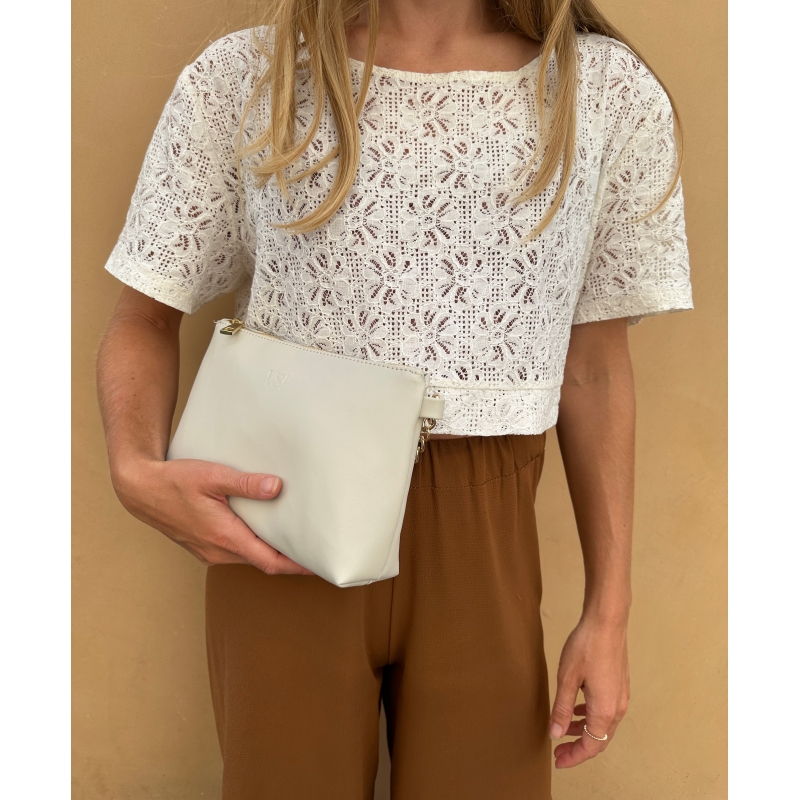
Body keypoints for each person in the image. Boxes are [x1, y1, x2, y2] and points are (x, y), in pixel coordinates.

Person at [96, 1, 693, 798]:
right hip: (281, 521)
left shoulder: (604, 92)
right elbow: (143, 316)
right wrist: (134, 468)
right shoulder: (249, 77)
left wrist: (608, 612)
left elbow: (595, 366)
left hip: (487, 534)